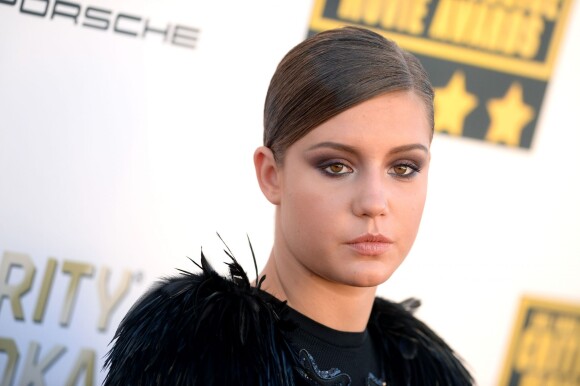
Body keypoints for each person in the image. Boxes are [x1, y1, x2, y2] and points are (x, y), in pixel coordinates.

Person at [103, 26, 474, 385]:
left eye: (403, 168)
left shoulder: (428, 372)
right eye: (336, 166)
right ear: (271, 174)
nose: (374, 203)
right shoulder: (194, 352)